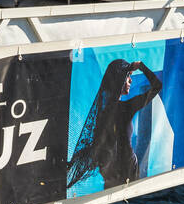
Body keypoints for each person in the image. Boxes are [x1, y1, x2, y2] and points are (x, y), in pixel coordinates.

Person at [67, 59, 163, 190]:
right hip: (127, 172)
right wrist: (141, 66)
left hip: (110, 173)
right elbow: (157, 86)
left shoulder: (101, 112)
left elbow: (95, 144)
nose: (131, 80)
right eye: (127, 76)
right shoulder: (126, 108)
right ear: (118, 79)